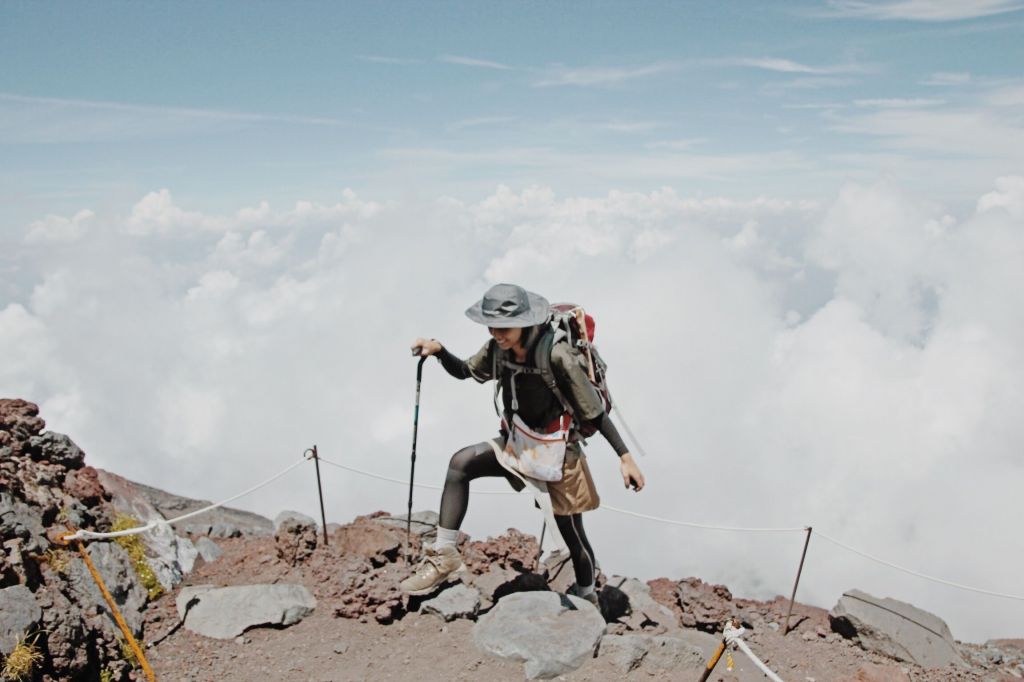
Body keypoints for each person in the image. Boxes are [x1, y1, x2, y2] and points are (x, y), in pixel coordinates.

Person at [401, 283, 645, 605]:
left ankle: (587, 595)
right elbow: (466, 372)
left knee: (571, 533)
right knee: (461, 463)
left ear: (525, 321)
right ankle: (444, 554)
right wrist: (439, 351)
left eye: (504, 327)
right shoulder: (497, 349)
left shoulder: (556, 354)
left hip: (560, 453)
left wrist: (625, 457)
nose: (496, 333)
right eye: (492, 326)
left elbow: (593, 411)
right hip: (518, 442)